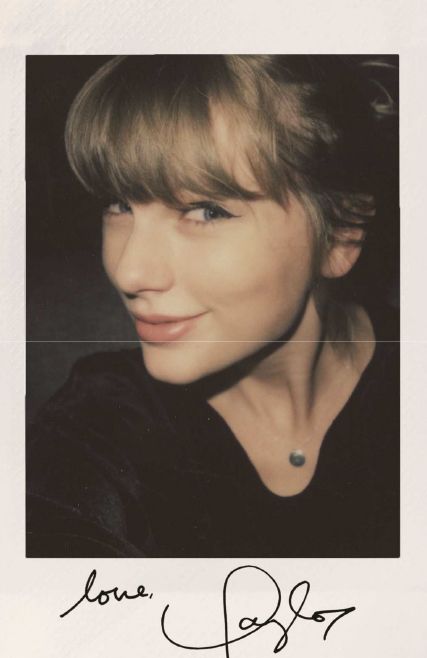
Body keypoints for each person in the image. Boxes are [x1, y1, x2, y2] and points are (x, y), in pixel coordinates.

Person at [26, 55, 399, 557]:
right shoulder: (92, 436)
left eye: (206, 211)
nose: (129, 271)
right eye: (119, 203)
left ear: (342, 233)